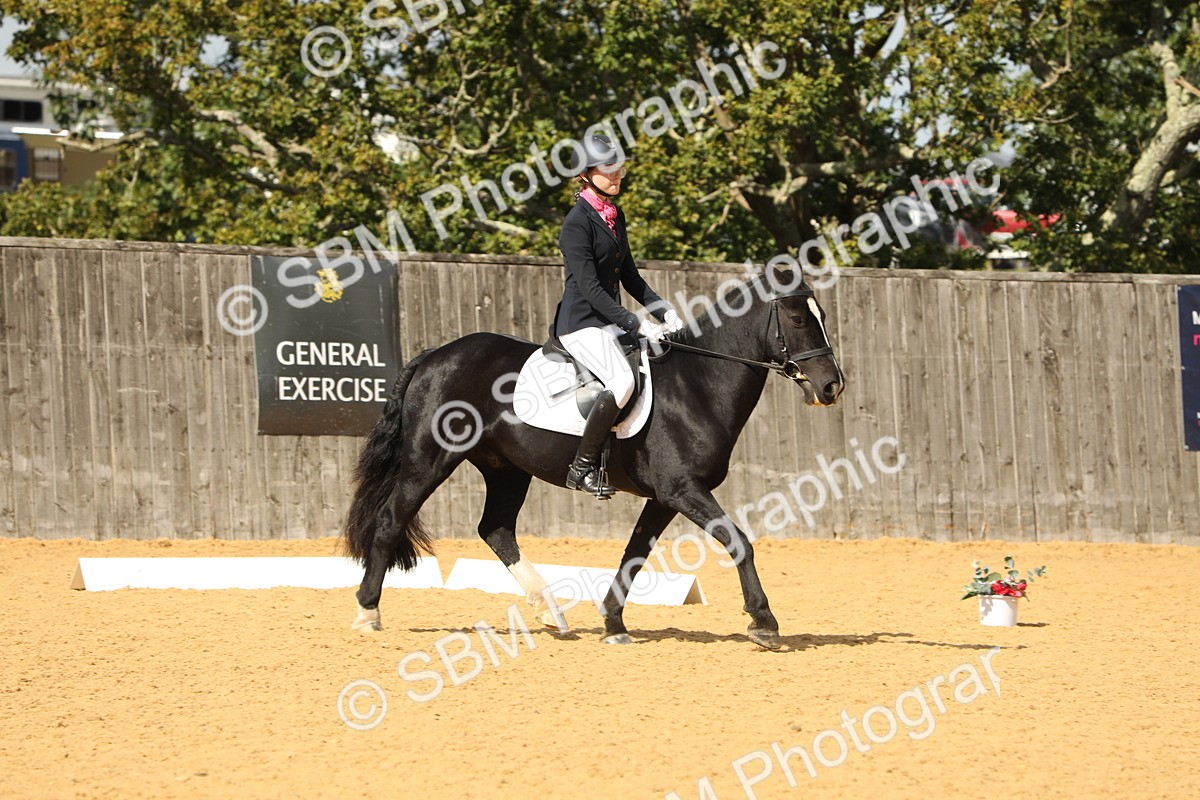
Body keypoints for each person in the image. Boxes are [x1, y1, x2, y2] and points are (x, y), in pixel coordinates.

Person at [551, 133, 684, 498]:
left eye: (619, 168)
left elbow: (631, 277)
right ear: (585, 174)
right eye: (608, 170)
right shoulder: (576, 223)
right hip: (581, 323)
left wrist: (665, 311)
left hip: (608, 322)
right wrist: (636, 322)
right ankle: (582, 467)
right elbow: (591, 289)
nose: (617, 175)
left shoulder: (613, 215)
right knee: (622, 382)